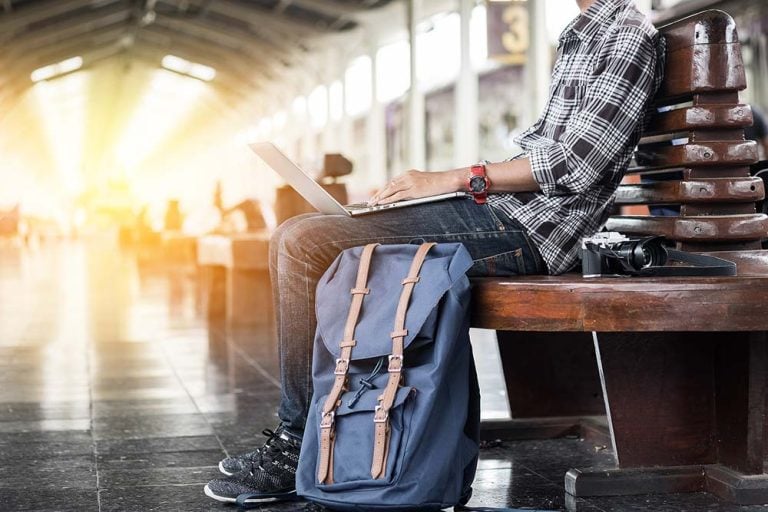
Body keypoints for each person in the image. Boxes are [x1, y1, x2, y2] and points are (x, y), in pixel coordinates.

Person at [203, 0, 665, 504]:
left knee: (302, 240)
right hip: (504, 212)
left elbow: (577, 162)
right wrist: (446, 192)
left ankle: (298, 441)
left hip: (532, 231)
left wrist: (454, 178)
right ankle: (310, 433)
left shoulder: (626, 33)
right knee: (307, 230)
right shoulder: (586, 32)